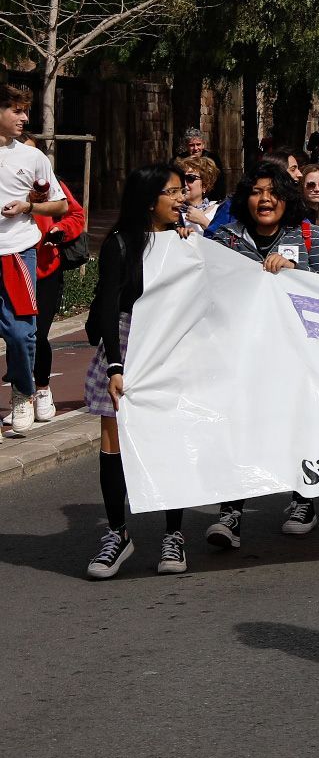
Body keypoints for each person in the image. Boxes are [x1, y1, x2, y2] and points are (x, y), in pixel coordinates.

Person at [203, 162, 319, 547]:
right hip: (241, 357)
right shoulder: (224, 241)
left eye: (273, 192)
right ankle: (230, 513)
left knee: (297, 429)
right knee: (238, 430)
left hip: (297, 359)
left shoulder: (312, 237)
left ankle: (303, 500)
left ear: (287, 198)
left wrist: (296, 272)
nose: (265, 200)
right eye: (256, 192)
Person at [83, 164, 190, 577]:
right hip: (127, 346)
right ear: (150, 200)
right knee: (113, 440)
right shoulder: (120, 244)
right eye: (173, 192)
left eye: (183, 191)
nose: (181, 199)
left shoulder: (186, 243)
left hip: (172, 349)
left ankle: (173, 535)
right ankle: (116, 533)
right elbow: (109, 306)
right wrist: (115, 365)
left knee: (169, 438)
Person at [0, 86, 68, 434]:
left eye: (24, 111)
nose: (24, 118)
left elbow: (62, 205)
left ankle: (24, 392)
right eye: (15, 110)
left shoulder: (32, 157)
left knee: (22, 333)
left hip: (17, 251)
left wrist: (28, 206)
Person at [20, 137, 83, 433]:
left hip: (45, 269)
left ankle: (42, 388)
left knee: (37, 333)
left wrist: (60, 229)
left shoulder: (49, 182)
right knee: (18, 336)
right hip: (11, 267)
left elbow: (75, 214)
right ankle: (23, 395)